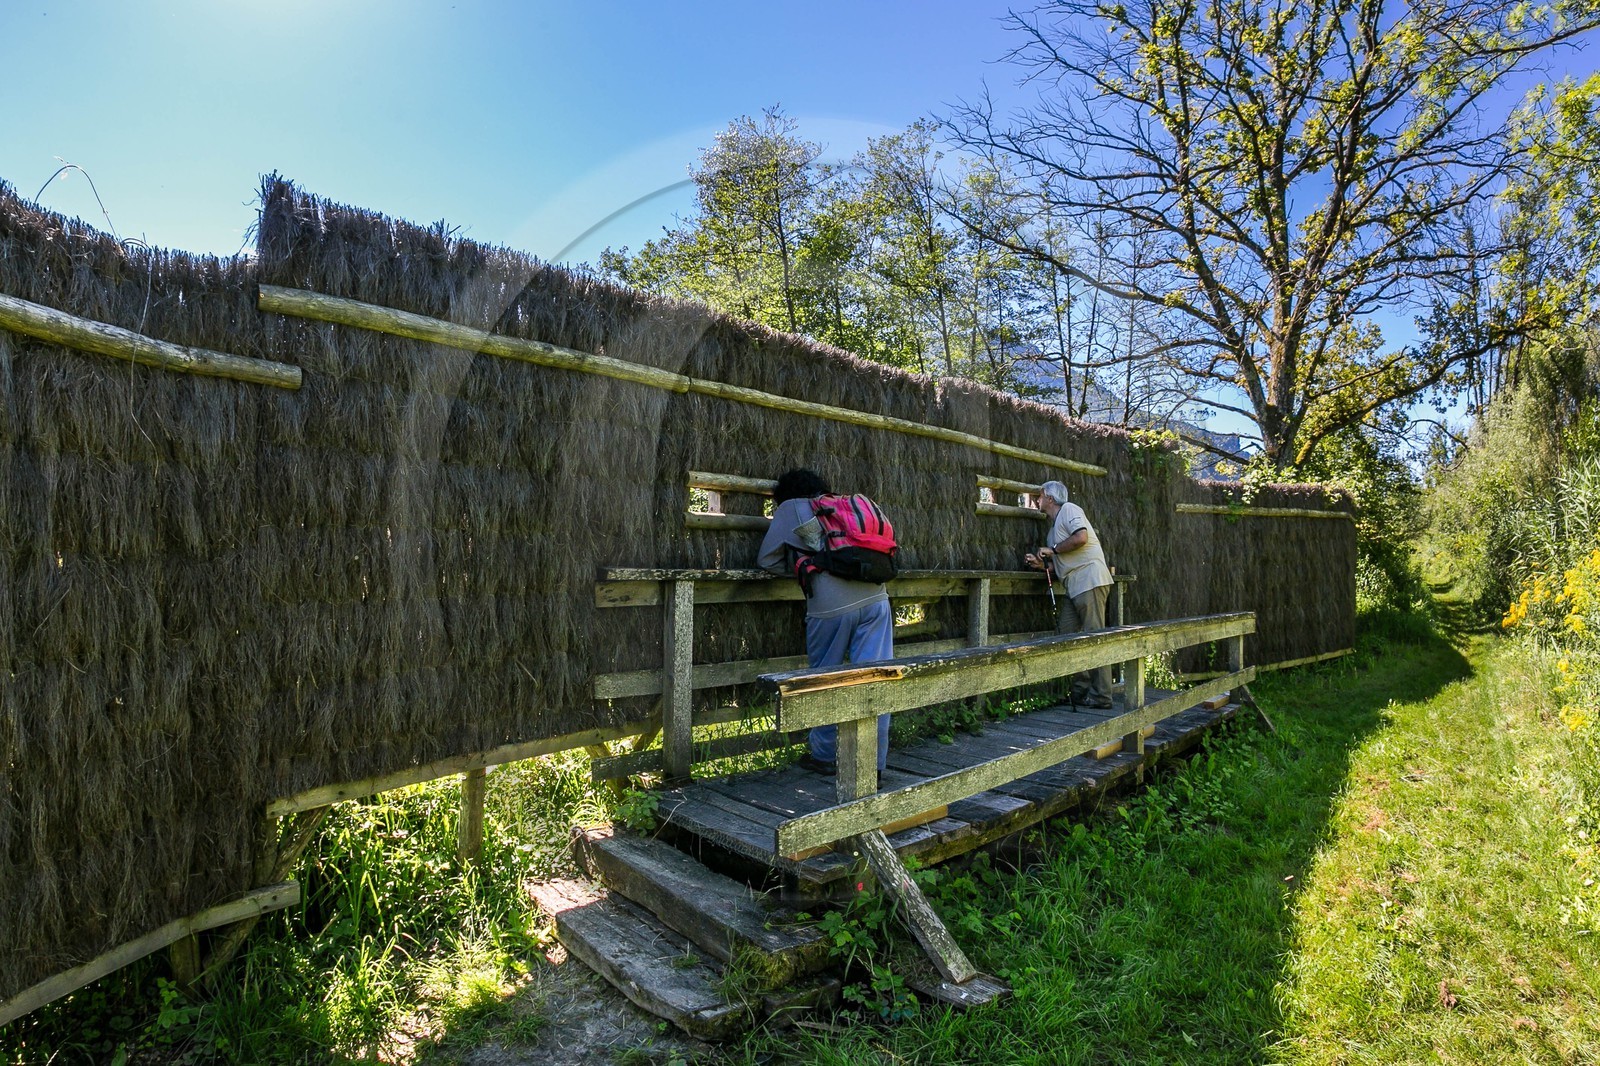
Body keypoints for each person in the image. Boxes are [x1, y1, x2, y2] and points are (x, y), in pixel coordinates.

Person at [757, 468, 894, 775]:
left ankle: (824, 756)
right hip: (876, 600)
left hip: (829, 607)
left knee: (824, 679)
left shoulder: (790, 508)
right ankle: (874, 766)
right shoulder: (845, 506)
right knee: (876, 681)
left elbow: (766, 559)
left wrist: (806, 568)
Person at [1024, 480, 1114, 708]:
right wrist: (1041, 565)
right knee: (1067, 633)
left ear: (1050, 498)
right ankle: (1080, 692)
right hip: (1073, 586)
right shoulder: (1052, 532)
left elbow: (1081, 538)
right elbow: (1060, 563)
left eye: (1040, 496)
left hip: (1090, 580)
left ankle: (1102, 696)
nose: (1037, 500)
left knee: (1094, 637)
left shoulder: (1070, 510)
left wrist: (1053, 550)